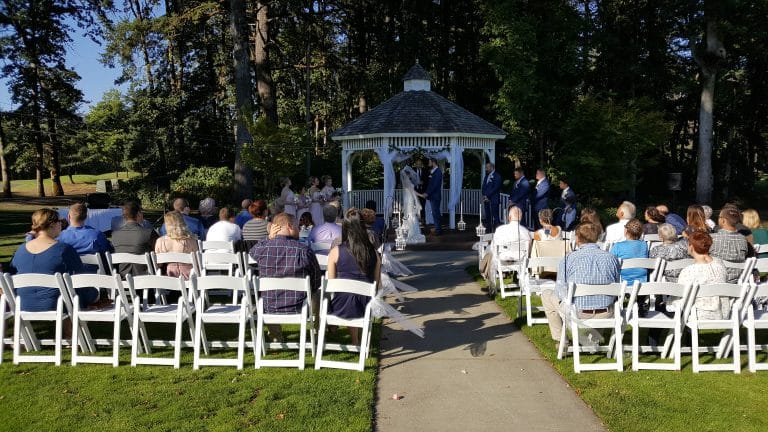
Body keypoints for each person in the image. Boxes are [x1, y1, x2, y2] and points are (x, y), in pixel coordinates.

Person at [540, 222, 621, 343]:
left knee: (547, 294)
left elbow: (560, 292)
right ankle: (593, 339)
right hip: (607, 313)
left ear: (577, 238)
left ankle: (561, 340)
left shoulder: (569, 259)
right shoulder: (612, 258)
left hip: (578, 313)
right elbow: (616, 287)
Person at [248, 213, 321, 342]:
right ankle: (315, 333)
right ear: (289, 226)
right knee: (319, 294)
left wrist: (269, 238)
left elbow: (252, 252)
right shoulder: (304, 250)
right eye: (297, 226)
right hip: (299, 305)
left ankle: (276, 336)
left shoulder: (263, 249)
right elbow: (316, 281)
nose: (299, 229)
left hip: (270, 306)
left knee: (267, 297)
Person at [9, 208, 98, 312]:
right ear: (52, 225)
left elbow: (11, 275)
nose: (61, 224)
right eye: (59, 221)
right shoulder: (63, 250)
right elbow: (80, 280)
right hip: (57, 305)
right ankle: (69, 328)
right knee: (86, 293)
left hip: (22, 304)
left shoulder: (20, 250)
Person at [326, 208, 382, 345]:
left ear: (344, 227)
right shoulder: (374, 253)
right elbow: (378, 285)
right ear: (363, 227)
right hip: (366, 304)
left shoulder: (335, 252)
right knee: (355, 298)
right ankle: (356, 339)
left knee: (344, 297)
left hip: (341, 306)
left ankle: (352, 339)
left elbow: (331, 284)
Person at [675, 231, 728, 319]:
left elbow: (680, 294)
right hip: (722, 312)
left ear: (691, 247)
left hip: (697, 313)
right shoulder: (720, 264)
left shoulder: (689, 271)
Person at [479, 206, 532, 283]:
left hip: (502, 260)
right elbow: (528, 249)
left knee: (490, 252)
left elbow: (494, 247)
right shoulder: (526, 232)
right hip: (520, 261)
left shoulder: (500, 230)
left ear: (509, 217)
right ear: (520, 218)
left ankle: (489, 278)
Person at [57, 203, 114, 273]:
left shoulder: (60, 237)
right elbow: (108, 252)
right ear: (86, 217)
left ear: (68, 217)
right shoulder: (96, 234)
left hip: (71, 278)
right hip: (97, 276)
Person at [111, 200, 159, 277]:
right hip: (146, 278)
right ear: (139, 214)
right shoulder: (149, 233)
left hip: (123, 279)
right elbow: (158, 254)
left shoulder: (115, 235)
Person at [154, 211, 199, 279]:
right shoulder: (191, 240)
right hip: (190, 278)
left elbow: (158, 264)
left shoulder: (160, 241)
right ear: (182, 222)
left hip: (170, 277)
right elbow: (197, 262)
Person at [710, 206, 749, 283]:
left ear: (723, 220)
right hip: (737, 282)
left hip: (715, 281)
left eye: (719, 217)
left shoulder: (712, 238)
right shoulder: (743, 239)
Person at [609, 219, 649, 291]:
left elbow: (609, 263)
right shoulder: (644, 245)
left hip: (622, 282)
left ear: (626, 230)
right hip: (641, 282)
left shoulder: (618, 246)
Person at [399, 165, 425, 243]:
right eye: (410, 173)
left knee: (408, 214)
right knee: (411, 214)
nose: (411, 174)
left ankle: (407, 230)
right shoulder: (407, 181)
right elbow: (413, 191)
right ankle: (412, 232)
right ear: (407, 174)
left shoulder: (405, 181)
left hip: (408, 198)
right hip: (410, 199)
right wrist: (421, 196)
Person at [418, 157, 443, 235]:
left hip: (435, 196)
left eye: (429, 162)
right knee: (435, 213)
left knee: (436, 213)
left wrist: (427, 193)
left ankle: (438, 230)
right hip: (432, 196)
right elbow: (430, 184)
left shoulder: (438, 172)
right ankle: (437, 229)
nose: (428, 164)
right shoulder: (433, 171)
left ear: (433, 162)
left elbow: (434, 185)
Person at [482, 162, 502, 227]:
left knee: (495, 215)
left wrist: (487, 195)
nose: (486, 169)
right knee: (488, 214)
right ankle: (489, 228)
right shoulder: (486, 176)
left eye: (487, 167)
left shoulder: (497, 176)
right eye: (486, 167)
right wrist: (484, 195)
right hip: (486, 199)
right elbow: (483, 186)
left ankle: (498, 229)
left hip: (494, 199)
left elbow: (496, 188)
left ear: (492, 167)